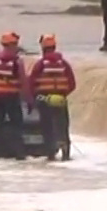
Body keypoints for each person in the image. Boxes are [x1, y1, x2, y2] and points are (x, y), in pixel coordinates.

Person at [28, 33, 77, 161]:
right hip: (60, 100)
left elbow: (31, 83)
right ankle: (66, 155)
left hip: (44, 100)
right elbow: (72, 84)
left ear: (43, 48)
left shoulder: (40, 64)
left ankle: (51, 155)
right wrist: (63, 94)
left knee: (47, 128)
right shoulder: (64, 63)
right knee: (63, 127)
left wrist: (33, 99)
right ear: (54, 47)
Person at [0, 31, 31, 160]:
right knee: (16, 124)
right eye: (15, 44)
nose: (17, 47)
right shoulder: (17, 62)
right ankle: (19, 153)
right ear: (11, 45)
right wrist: (29, 99)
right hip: (11, 96)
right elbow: (23, 81)